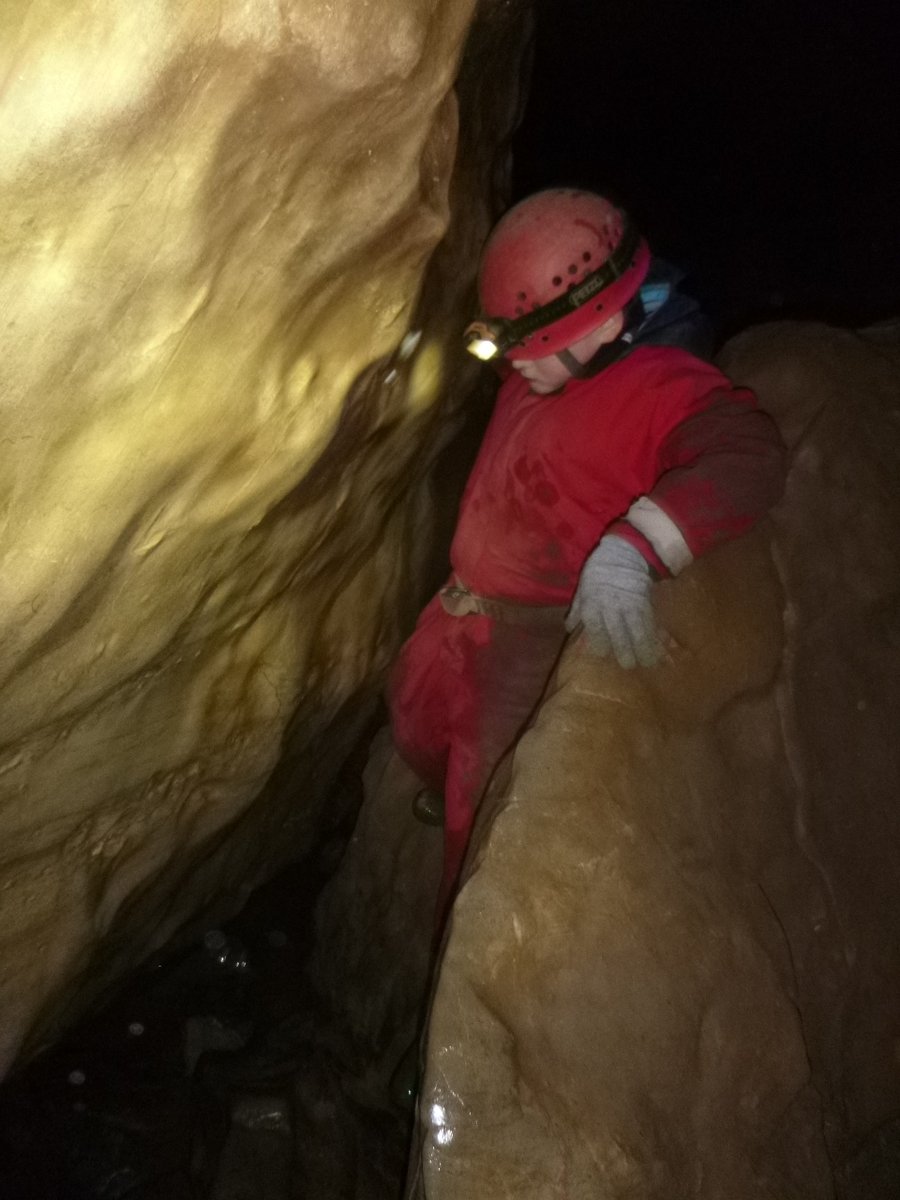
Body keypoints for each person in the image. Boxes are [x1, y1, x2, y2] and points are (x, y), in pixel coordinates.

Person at [389, 188, 786, 922]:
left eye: (530, 346)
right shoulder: (549, 368)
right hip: (460, 613)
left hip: (523, 644)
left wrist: (633, 549)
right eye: (507, 345)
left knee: (480, 818)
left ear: (604, 324)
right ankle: (436, 782)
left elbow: (748, 454)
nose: (514, 363)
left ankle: (464, 932)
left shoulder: (660, 384)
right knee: (412, 719)